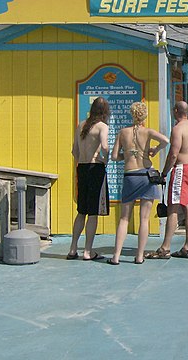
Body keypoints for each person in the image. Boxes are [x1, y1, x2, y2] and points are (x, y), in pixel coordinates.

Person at [108, 101, 169, 265]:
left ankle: (116, 256)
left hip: (130, 176)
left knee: (124, 218)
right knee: (144, 219)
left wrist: (126, 156)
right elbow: (165, 140)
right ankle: (139, 256)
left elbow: (114, 157)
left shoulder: (122, 132)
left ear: (132, 115)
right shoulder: (147, 132)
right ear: (144, 116)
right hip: (146, 175)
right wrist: (155, 150)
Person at [148, 101, 188, 260]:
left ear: (176, 111)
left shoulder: (178, 129)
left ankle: (165, 247)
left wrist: (164, 172)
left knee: (173, 207)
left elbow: (173, 154)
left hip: (182, 169)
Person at [68, 96, 111, 261]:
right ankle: (87, 251)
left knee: (81, 211)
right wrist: (104, 159)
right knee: (93, 212)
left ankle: (73, 249)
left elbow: (74, 151)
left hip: (83, 168)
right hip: (95, 169)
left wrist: (83, 160)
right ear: (105, 112)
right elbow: (105, 147)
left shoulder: (81, 125)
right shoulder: (102, 126)